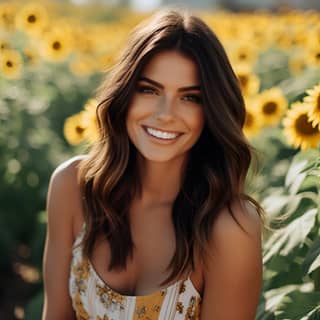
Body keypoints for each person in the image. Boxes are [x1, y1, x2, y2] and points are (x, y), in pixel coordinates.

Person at [41, 7, 266, 320]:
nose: (165, 113)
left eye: (190, 97)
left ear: (211, 110)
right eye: (149, 90)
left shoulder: (228, 228)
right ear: (125, 95)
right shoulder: (71, 187)